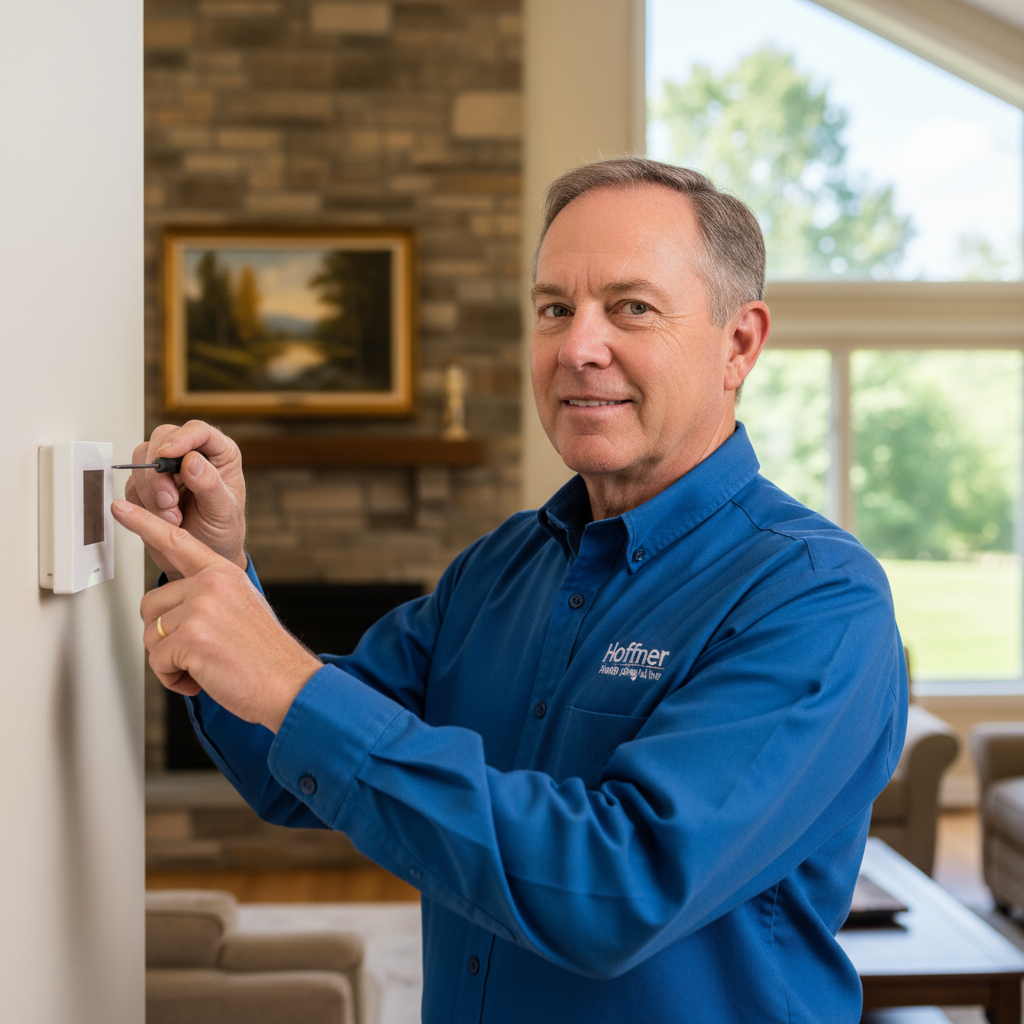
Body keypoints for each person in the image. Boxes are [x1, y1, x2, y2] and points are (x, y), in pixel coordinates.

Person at [114, 157, 908, 1023]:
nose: (577, 346)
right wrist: (215, 570)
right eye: (554, 309)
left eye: (631, 307)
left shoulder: (816, 599)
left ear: (739, 343)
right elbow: (289, 762)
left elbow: (619, 888)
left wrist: (291, 685)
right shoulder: (500, 568)